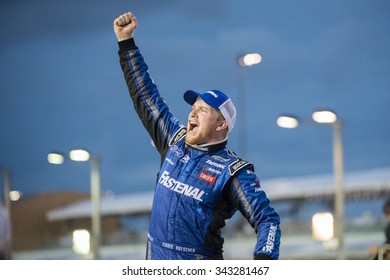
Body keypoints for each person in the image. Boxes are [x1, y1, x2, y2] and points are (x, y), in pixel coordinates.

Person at [113, 11, 281, 260]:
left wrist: (263, 263)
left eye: (202, 111)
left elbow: (268, 220)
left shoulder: (232, 171)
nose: (192, 114)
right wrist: (126, 44)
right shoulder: (174, 140)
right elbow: (146, 96)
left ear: (222, 125)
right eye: (193, 108)